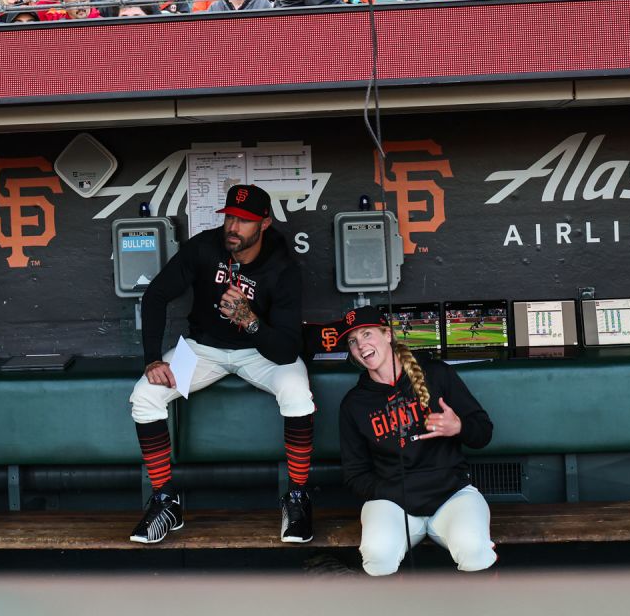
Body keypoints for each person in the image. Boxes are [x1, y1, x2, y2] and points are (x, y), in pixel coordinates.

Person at [129, 184, 314, 545]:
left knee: (297, 392)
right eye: (230, 217)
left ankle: (297, 497)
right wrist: (152, 358)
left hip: (262, 352)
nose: (233, 227)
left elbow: (287, 350)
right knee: (144, 396)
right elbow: (155, 296)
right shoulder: (203, 247)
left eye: (244, 221)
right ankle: (166, 501)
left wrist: (250, 320)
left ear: (264, 223)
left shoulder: (282, 266)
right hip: (204, 349)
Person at [336, 306, 496, 576]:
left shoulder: (437, 374)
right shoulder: (354, 404)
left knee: (473, 548)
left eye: (367, 334)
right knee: (378, 554)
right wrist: (395, 491)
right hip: (393, 503)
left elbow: (483, 432)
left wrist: (459, 427)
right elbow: (355, 474)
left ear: (387, 334)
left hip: (451, 495)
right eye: (353, 341)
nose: (361, 345)